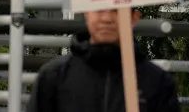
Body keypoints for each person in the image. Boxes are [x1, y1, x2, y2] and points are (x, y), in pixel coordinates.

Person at [26, 8, 179, 112]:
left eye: (116, 11)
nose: (106, 19)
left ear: (134, 18)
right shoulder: (54, 77)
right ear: (87, 13)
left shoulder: (157, 82)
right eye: (99, 9)